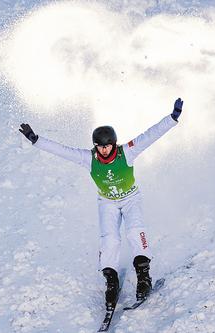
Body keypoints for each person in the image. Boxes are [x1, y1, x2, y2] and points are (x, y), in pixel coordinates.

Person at [19, 98, 183, 308]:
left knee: (134, 232)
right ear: (95, 146)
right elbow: (62, 150)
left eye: (107, 146)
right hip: (107, 202)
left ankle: (144, 278)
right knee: (110, 241)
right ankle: (111, 283)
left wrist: (171, 119)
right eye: (100, 146)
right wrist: (36, 140)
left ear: (114, 144)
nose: (104, 150)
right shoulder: (89, 158)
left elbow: (149, 136)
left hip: (131, 198)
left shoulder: (128, 152)